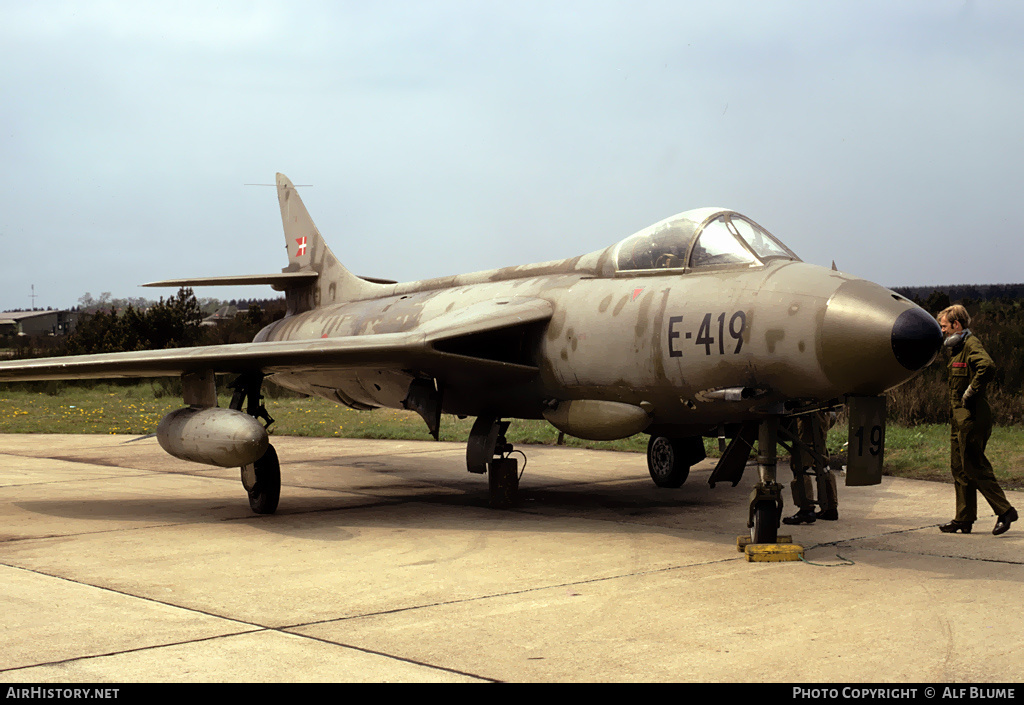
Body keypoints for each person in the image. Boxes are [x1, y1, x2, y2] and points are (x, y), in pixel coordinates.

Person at [937, 305, 1017, 535]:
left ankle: (1005, 511)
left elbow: (987, 366)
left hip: (972, 418)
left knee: (974, 466)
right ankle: (963, 518)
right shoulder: (957, 348)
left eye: (944, 326)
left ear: (956, 325)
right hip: (958, 419)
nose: (942, 331)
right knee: (959, 468)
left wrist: (971, 391)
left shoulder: (971, 345)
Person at [782, 410, 839, 525]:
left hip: (808, 414)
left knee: (800, 465)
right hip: (822, 413)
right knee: (822, 463)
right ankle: (830, 508)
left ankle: (806, 508)